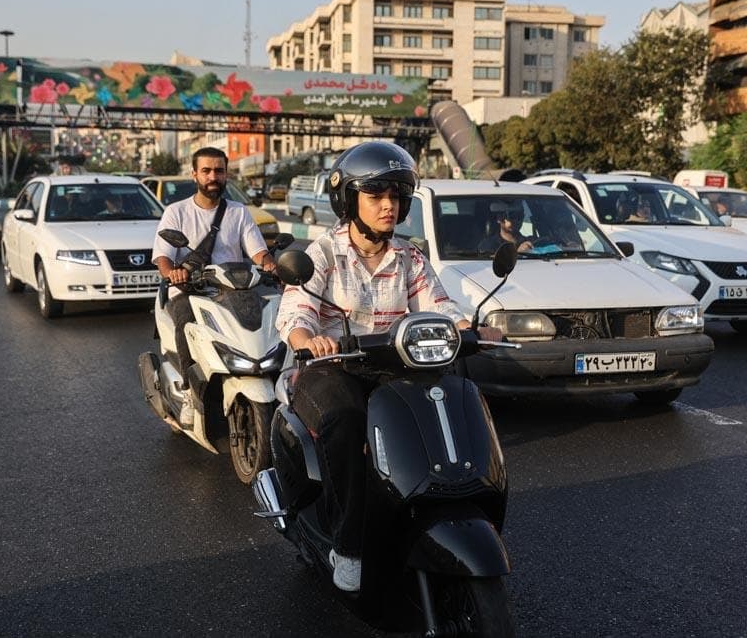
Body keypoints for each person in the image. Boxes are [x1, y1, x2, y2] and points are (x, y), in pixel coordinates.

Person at [274, 141, 503, 593]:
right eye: (377, 196)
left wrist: (469, 328)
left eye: (396, 197)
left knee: (450, 399)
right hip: (330, 367)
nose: (388, 206)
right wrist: (309, 339)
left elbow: (439, 306)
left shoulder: (410, 257)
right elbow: (295, 313)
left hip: (392, 366)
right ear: (349, 200)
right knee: (346, 421)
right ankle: (349, 546)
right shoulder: (322, 254)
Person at [153, 147, 277, 420]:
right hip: (191, 290)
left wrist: (270, 265)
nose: (213, 176)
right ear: (194, 174)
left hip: (233, 289)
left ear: (226, 174)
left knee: (273, 317)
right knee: (185, 320)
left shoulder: (238, 212)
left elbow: (257, 251)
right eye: (206, 171)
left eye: (218, 171)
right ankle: (188, 391)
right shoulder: (177, 212)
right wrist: (172, 273)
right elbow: (162, 255)